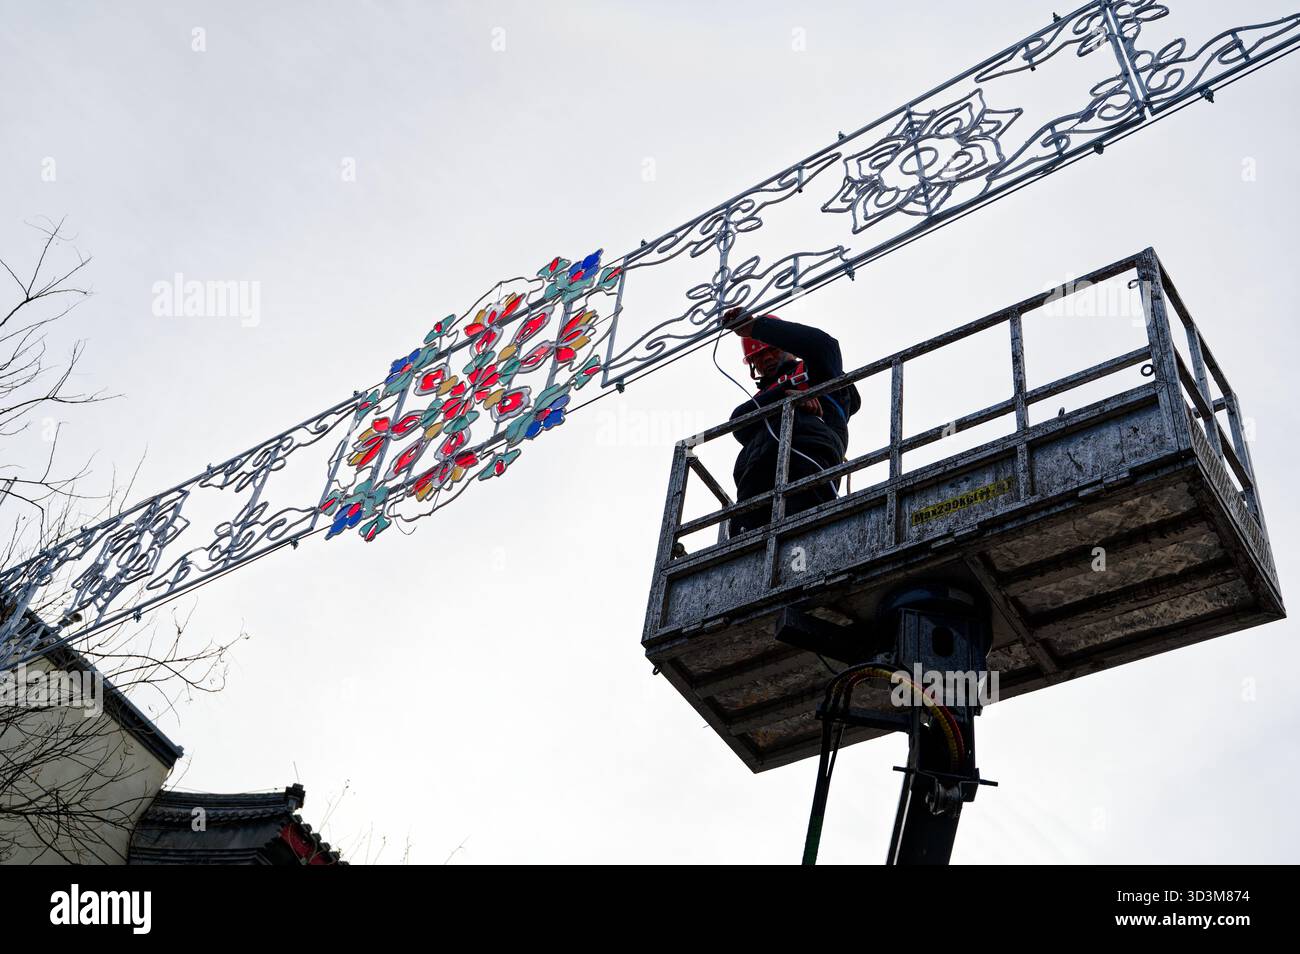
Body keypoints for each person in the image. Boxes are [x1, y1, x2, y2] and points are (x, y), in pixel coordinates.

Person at [722, 307, 861, 537]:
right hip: (757, 467)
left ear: (787, 346)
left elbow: (825, 346)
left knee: (802, 522)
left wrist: (756, 328)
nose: (766, 358)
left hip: (808, 450)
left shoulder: (815, 370)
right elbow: (738, 423)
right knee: (746, 532)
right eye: (758, 356)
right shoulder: (759, 399)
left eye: (772, 350)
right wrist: (785, 397)